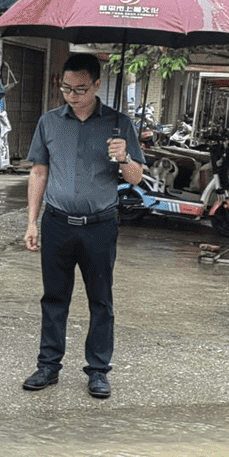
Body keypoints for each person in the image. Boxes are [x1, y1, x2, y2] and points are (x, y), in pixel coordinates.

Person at [23, 53, 144, 398]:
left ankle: (98, 370)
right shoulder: (49, 122)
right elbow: (39, 172)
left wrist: (125, 158)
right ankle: (48, 366)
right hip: (57, 222)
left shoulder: (119, 125)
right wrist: (32, 222)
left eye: (80, 89)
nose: (72, 95)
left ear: (96, 85)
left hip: (100, 225)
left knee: (100, 301)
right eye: (66, 88)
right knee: (54, 298)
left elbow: (136, 178)